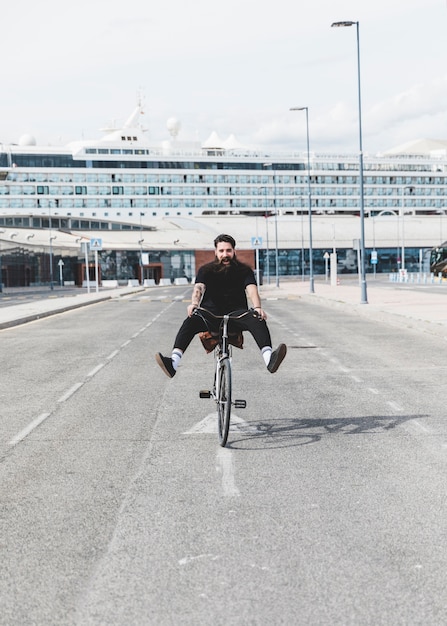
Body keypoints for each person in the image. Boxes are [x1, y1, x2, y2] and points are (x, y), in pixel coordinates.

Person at [155, 234, 287, 378]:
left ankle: (269, 359)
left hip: (237, 316)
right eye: (222, 251)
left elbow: (252, 289)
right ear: (216, 252)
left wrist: (257, 307)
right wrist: (194, 304)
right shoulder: (206, 270)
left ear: (234, 251)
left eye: (228, 251)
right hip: (210, 315)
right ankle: (173, 362)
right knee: (190, 321)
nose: (225, 254)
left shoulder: (244, 271)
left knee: (258, 319)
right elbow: (199, 287)